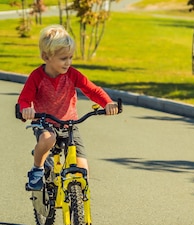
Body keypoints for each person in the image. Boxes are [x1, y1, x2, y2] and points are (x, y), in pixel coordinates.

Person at [17, 24, 119, 191]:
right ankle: (37, 169)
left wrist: (107, 103)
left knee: (83, 170)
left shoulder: (73, 74)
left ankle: (79, 212)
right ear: (46, 57)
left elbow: (92, 90)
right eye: (63, 58)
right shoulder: (37, 77)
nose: (68, 62)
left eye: (71, 57)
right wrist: (25, 109)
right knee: (48, 139)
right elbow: (24, 99)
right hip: (44, 124)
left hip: (69, 124)